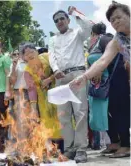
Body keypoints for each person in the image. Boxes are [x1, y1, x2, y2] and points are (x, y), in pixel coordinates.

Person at [71, 2, 130, 158]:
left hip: (119, 81)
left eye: (119, 17)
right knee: (116, 112)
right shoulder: (117, 41)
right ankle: (121, 144)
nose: (115, 21)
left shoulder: (104, 39)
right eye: (112, 20)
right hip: (114, 83)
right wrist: (84, 77)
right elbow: (102, 61)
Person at [48, 6, 92, 163]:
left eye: (62, 18)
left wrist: (75, 13)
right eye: (56, 20)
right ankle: (69, 148)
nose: (59, 22)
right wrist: (56, 70)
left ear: (67, 20)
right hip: (61, 77)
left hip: (78, 75)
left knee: (80, 112)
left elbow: (89, 26)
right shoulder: (53, 39)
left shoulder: (77, 33)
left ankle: (81, 149)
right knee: (63, 115)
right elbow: (51, 56)